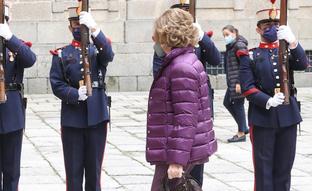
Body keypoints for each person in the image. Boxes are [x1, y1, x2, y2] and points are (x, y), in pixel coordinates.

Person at [238, 2, 309, 190]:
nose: (272, 30)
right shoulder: (249, 55)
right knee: (263, 170)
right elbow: (247, 87)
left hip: (288, 115)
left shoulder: (285, 49)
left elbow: (303, 64)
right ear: (258, 29)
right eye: (267, 27)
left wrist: (293, 42)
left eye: (276, 26)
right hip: (263, 117)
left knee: (284, 168)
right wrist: (267, 100)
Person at [146, 8, 217, 191]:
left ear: (167, 34)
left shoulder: (181, 67)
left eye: (157, 33)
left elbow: (185, 119)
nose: (154, 38)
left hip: (178, 153)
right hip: (177, 149)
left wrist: (176, 162)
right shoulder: (182, 61)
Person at [49, 5, 114, 191]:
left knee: (94, 174)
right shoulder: (62, 54)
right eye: (75, 24)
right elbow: (57, 84)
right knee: (73, 174)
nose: (78, 27)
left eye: (81, 23)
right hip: (72, 119)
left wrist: (95, 29)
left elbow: (109, 54)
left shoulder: (98, 50)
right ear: (70, 27)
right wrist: (74, 94)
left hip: (97, 117)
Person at [0, 4, 36, 191]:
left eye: (4, 20)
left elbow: (30, 59)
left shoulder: (15, 43)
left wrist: (9, 37)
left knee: (12, 171)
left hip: (13, 115)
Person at [222, 25, 249, 143]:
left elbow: (244, 65)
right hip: (232, 82)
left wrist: (239, 82)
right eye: (224, 35)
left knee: (238, 105)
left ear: (234, 33)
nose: (226, 37)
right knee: (227, 102)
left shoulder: (239, 45)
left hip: (238, 82)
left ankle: (241, 132)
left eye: (227, 34)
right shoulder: (231, 45)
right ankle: (243, 127)